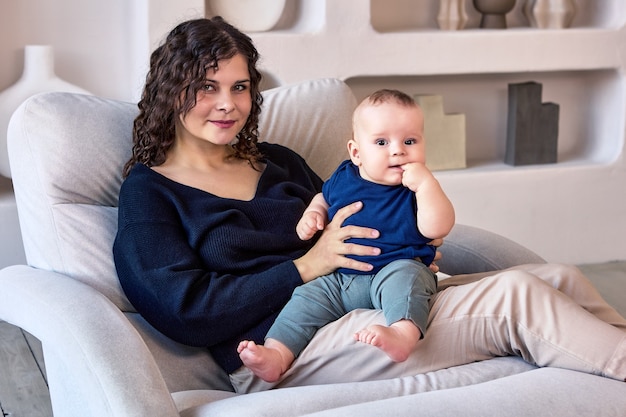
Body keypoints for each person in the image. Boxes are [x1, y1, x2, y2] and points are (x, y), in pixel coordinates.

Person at [113, 17, 626, 395]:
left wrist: (410, 242)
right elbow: (184, 310)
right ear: (170, 90)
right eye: (207, 87)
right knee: (516, 296)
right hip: (288, 340)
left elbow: (360, 208)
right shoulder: (151, 191)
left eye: (239, 87)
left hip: (370, 293)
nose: (227, 103)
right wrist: (305, 266)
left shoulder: (277, 161)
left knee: (558, 277)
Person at [237, 89, 455, 382]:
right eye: (381, 142)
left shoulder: (414, 186)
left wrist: (428, 186)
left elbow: (437, 229)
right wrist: (313, 214)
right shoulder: (343, 176)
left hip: (394, 269)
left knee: (408, 280)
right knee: (305, 297)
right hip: (341, 279)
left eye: (410, 141)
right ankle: (277, 354)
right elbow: (324, 198)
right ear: (356, 153)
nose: (397, 150)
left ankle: (402, 334)